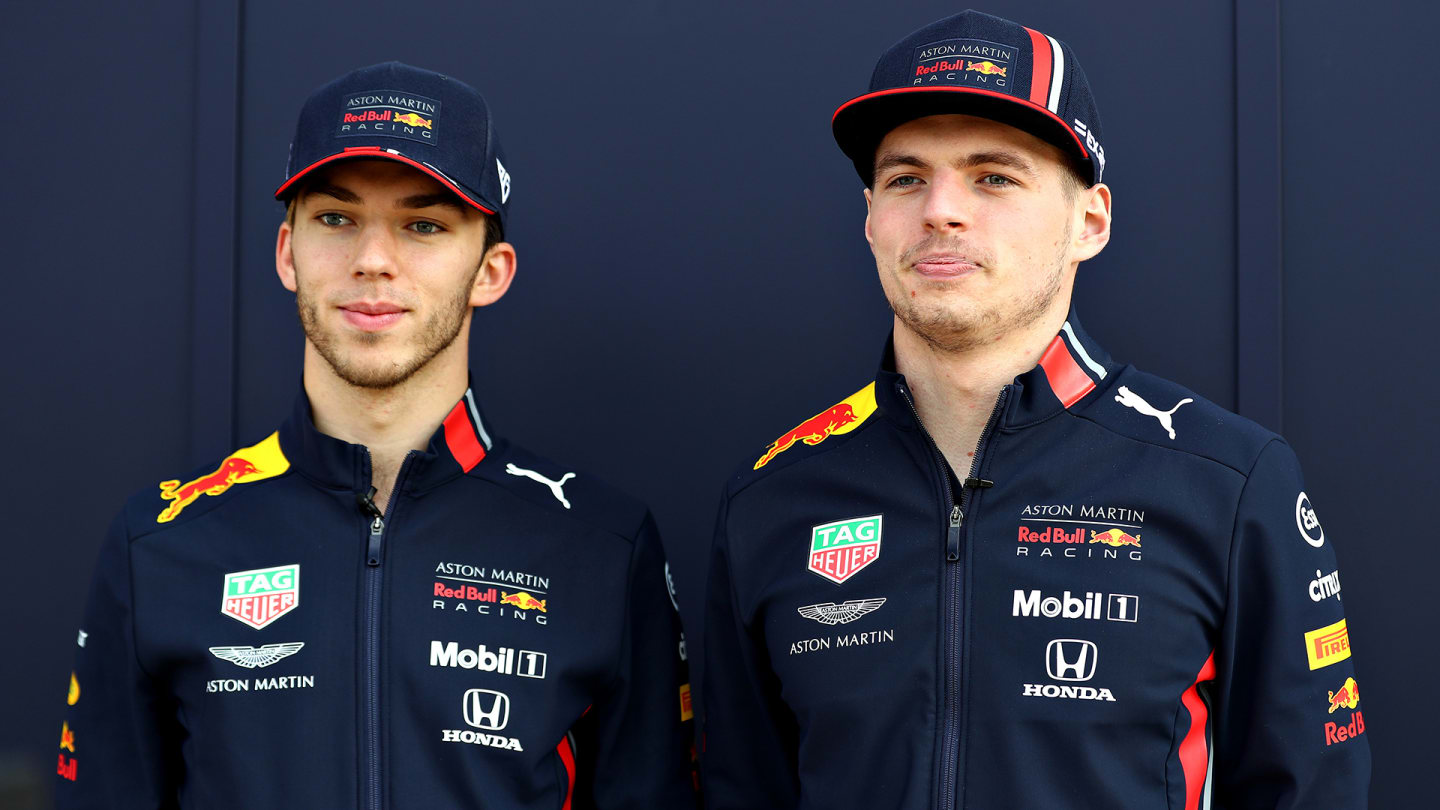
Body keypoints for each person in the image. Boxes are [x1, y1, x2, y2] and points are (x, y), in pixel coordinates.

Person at [700, 10, 1369, 808]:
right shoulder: (773, 498)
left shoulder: (1224, 481)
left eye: (995, 176)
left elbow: (1310, 790)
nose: (942, 210)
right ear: (871, 220)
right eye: (906, 178)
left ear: (1090, 222)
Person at [56, 62, 695, 809]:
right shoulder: (162, 539)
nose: (373, 260)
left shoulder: (600, 545)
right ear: (287, 252)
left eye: (423, 225)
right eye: (335, 218)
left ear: (490, 271)